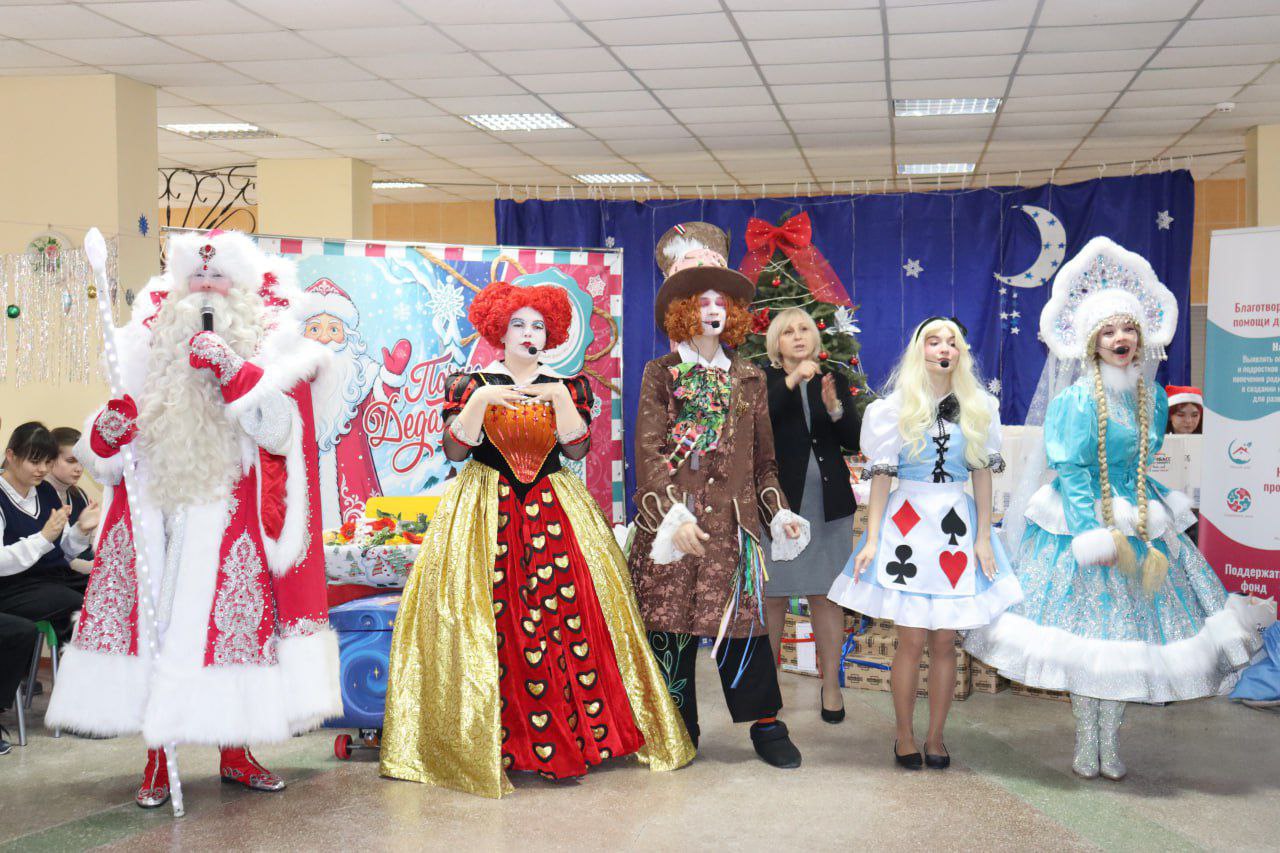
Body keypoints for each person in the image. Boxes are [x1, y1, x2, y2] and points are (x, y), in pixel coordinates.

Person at [45, 229, 341, 808]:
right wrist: (106, 435)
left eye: (218, 277)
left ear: (243, 287)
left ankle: (236, 753)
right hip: (157, 516)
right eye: (197, 276)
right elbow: (105, 458)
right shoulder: (145, 345)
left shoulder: (276, 346)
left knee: (232, 641)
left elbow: (283, 432)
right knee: (157, 638)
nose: (206, 287)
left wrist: (233, 369)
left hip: (232, 518)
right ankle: (159, 759)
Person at [965, 237, 1264, 781]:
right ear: (1092, 342)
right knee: (1087, 642)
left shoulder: (1152, 399)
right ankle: (1088, 740)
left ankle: (1111, 740)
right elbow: (1073, 470)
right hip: (1082, 525)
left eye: (1128, 329)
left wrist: (1144, 515)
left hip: (1143, 520)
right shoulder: (1076, 400)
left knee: (1131, 639)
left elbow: (1140, 463)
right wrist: (1095, 534)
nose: (1120, 338)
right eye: (1108, 331)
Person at [380, 281, 692, 798]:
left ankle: (575, 735)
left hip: (553, 506)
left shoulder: (570, 386)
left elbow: (577, 449)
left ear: (552, 335)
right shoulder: (469, 382)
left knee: (565, 614)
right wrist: (481, 399)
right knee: (493, 616)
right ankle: (497, 742)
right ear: (499, 331)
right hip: (485, 508)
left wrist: (557, 396)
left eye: (539, 326)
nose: (529, 333)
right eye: (519, 324)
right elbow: (455, 453)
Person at [628, 222, 810, 769]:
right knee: (670, 627)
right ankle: (676, 726)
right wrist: (672, 519)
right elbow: (650, 455)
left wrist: (779, 513)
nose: (712, 309)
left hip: (734, 529)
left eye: (720, 301)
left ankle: (765, 724)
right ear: (684, 309)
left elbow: (764, 462)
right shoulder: (660, 374)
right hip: (675, 527)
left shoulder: (749, 378)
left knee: (743, 627)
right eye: (700, 300)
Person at [828, 318, 1021, 770]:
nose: (943, 348)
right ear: (920, 350)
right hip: (908, 526)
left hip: (954, 524)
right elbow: (881, 476)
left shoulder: (978, 406)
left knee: (945, 641)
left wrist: (984, 537)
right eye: (934, 341)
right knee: (911, 640)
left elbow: (982, 473)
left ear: (961, 353)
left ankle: (936, 737)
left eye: (952, 342)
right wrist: (873, 538)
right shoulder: (894, 408)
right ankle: (904, 736)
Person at [761, 308, 862, 724]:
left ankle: (831, 686)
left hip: (829, 506)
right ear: (777, 343)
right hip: (779, 506)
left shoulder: (831, 377)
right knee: (774, 597)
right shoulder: (762, 380)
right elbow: (760, 423)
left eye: (804, 329)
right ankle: (767, 691)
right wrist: (791, 381)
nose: (798, 336)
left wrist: (836, 408)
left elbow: (853, 440)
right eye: (788, 332)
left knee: (826, 595)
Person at [300, 277, 413, 528]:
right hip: (300, 475)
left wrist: (391, 378)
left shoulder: (360, 375)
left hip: (353, 471)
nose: (324, 338)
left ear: (347, 336)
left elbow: (380, 413)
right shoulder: (293, 375)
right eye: (314, 329)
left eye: (333, 330)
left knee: (362, 531)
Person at [0, 422, 98, 646]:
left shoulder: (45, 491)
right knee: (78, 604)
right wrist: (43, 538)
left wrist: (80, 529)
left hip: (51, 579)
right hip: (12, 587)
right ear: (11, 456)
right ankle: (73, 664)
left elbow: (62, 552)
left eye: (47, 462)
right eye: (35, 462)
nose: (42, 469)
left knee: (108, 590)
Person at [46, 427, 94, 577]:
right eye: (71, 461)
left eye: (82, 461)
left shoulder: (79, 495)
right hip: (56, 575)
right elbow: (51, 557)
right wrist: (96, 569)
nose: (79, 469)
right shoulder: (38, 496)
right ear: (50, 459)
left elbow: (90, 545)